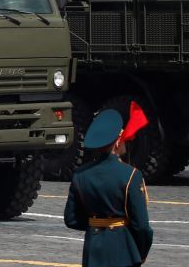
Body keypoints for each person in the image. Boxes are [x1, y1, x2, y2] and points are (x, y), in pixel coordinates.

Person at [64, 109, 154, 266]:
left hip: (92, 251)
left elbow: (71, 219)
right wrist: (140, 252)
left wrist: (96, 225)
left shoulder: (80, 175)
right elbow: (142, 227)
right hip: (123, 252)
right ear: (117, 141)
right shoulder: (131, 175)